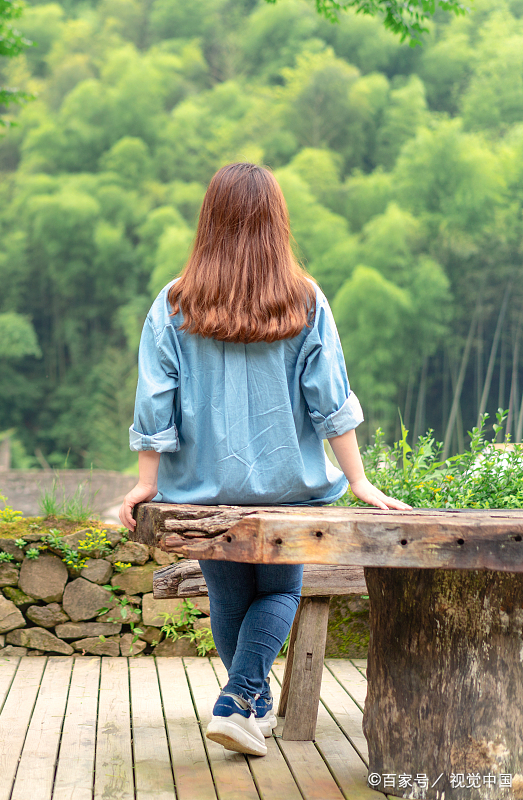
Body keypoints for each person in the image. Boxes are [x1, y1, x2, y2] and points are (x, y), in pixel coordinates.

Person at [118, 162, 410, 757]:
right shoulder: (303, 299)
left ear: (209, 220)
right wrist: (357, 480)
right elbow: (330, 398)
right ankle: (239, 702)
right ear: (276, 221)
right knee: (280, 594)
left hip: (202, 487)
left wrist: (146, 482)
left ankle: (244, 705)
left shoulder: (175, 302)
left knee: (229, 601)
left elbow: (155, 399)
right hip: (288, 489)